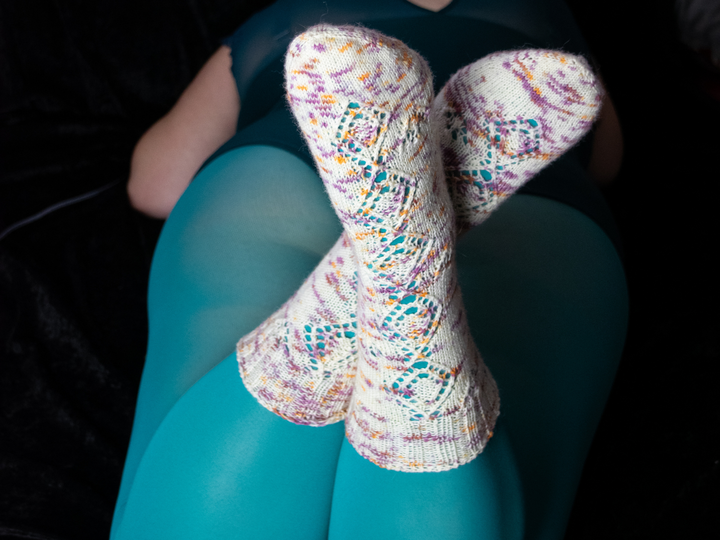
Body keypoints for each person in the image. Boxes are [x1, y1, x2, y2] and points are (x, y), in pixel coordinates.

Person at [112, 1, 628, 538]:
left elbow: (155, 182)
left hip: (275, 176)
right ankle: (406, 258)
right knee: (523, 437)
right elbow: (605, 158)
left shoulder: (287, 14)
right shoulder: (545, 15)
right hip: (534, 206)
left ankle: (361, 283)